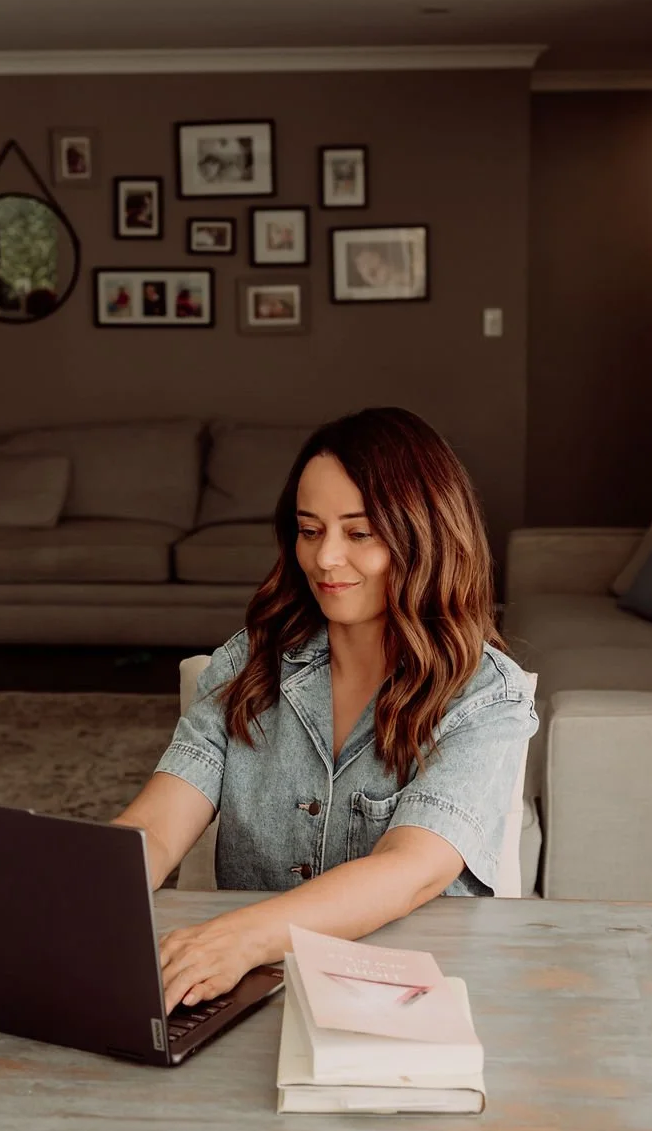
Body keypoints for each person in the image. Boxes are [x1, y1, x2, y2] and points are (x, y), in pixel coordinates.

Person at [112, 408, 538, 1012]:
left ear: (428, 535)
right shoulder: (251, 662)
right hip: (245, 995)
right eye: (310, 531)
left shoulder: (486, 697)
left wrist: (238, 939)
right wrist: (81, 903)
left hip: (412, 1009)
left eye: (359, 534)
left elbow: (408, 867)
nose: (325, 559)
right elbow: (154, 828)